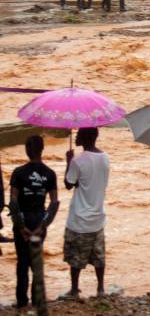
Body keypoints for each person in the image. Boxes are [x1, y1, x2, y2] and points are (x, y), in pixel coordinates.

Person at [9, 135, 59, 316]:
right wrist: (42, 227)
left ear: (27, 150)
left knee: (22, 262)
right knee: (36, 262)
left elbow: (13, 202)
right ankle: (38, 302)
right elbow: (54, 203)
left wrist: (21, 227)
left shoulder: (18, 172)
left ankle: (22, 302)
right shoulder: (50, 173)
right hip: (39, 220)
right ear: (42, 149)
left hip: (22, 221)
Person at [63, 128, 110, 300]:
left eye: (78, 134)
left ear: (84, 137)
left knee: (75, 258)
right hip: (98, 216)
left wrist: (68, 161)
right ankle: (100, 289)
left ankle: (75, 289)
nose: (75, 136)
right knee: (98, 257)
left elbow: (69, 184)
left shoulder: (78, 161)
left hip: (79, 218)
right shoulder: (105, 158)